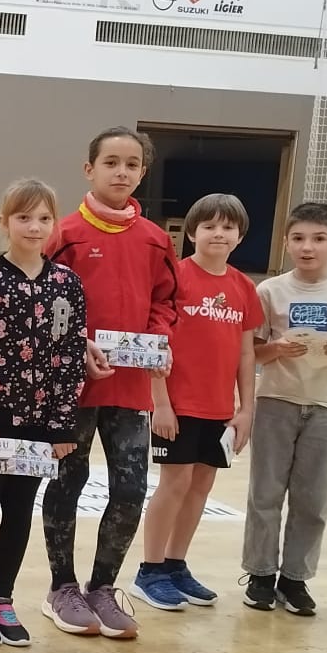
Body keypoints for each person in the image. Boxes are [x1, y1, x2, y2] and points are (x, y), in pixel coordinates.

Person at [37, 126, 179, 640]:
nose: (122, 172)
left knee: (131, 488)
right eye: (111, 162)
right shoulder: (65, 234)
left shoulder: (156, 240)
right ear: (89, 169)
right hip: (72, 390)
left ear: (142, 172)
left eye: (132, 164)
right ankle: (62, 588)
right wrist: (76, 346)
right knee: (66, 483)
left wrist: (157, 340)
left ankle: (102, 587)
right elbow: (43, 301)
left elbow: (166, 302)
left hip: (129, 389)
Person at [0, 179, 86, 647]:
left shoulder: (67, 284)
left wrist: (62, 424)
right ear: (4, 222)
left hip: (41, 422)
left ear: (55, 223)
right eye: (24, 217)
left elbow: (71, 355)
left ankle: (3, 597)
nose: (34, 227)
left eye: (44, 218)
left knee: (20, 508)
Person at [133, 193, 262, 612]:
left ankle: (175, 564)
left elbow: (246, 354)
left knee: (201, 486)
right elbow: (156, 343)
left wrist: (245, 410)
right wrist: (160, 403)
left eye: (227, 227)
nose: (218, 234)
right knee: (174, 484)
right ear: (191, 233)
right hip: (177, 406)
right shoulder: (176, 278)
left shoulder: (244, 287)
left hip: (219, 410)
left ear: (240, 236)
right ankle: (149, 570)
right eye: (209, 226)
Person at [245, 202, 327, 615]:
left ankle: (295, 578)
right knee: (265, 493)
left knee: (312, 499)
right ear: (286, 242)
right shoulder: (269, 291)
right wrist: (276, 349)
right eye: (299, 238)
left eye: (319, 239)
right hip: (276, 401)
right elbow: (252, 353)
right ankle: (260, 574)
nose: (308, 247)